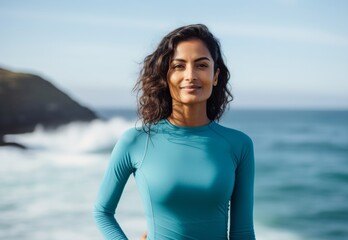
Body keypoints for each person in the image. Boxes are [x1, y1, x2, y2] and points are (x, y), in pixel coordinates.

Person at [93, 24, 256, 240]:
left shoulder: (238, 145)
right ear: (165, 75)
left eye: (201, 65)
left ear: (215, 75)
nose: (190, 75)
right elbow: (102, 212)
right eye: (178, 66)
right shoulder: (136, 141)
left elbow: (242, 232)